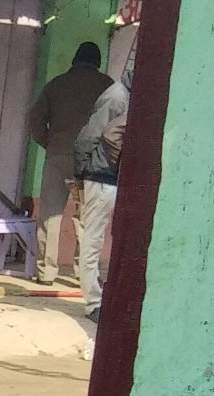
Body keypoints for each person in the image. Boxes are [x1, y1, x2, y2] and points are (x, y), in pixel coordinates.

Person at [25, 41, 110, 284]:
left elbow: (35, 120)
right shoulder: (107, 87)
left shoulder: (56, 85)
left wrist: (50, 143)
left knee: (51, 215)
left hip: (59, 154)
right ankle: (83, 274)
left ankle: (46, 273)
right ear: (97, 62)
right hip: (92, 160)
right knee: (87, 217)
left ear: (74, 59)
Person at [75, 66, 128, 325]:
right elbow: (91, 135)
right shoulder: (117, 96)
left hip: (113, 178)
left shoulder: (130, 94)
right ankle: (93, 302)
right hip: (101, 176)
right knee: (92, 240)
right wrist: (81, 173)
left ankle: (102, 298)